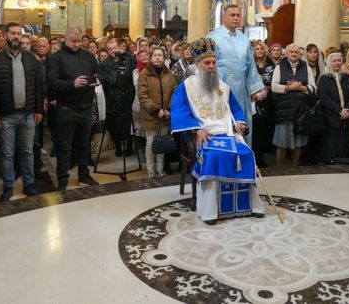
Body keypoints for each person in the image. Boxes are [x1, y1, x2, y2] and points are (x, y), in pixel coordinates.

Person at [170, 38, 264, 224]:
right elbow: (179, 111)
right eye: (207, 63)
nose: (212, 66)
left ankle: (250, 204)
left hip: (227, 133)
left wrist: (238, 123)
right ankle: (210, 210)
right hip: (203, 135)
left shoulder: (223, 87)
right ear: (198, 64)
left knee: (246, 154)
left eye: (214, 62)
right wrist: (196, 129)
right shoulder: (186, 87)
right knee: (213, 156)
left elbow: (235, 109)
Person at [0, 22, 44, 201]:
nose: (16, 36)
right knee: (7, 154)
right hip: (6, 116)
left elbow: (39, 86)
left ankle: (28, 185)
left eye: (19, 33)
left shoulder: (31, 59)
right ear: (5, 36)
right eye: (13, 33)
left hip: (28, 114)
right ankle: (8, 187)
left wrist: (39, 109)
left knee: (28, 152)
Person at [47, 27, 102, 189]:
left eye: (79, 41)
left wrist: (98, 80)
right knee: (64, 147)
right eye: (73, 41)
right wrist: (73, 84)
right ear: (65, 39)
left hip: (86, 107)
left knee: (83, 145)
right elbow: (52, 82)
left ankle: (84, 176)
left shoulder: (88, 56)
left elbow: (100, 73)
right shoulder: (56, 58)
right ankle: (62, 179)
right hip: (66, 109)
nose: (77, 44)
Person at [207, 5, 266, 142]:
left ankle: (242, 151)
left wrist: (254, 89)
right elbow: (208, 64)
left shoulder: (244, 39)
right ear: (223, 17)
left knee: (241, 122)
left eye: (238, 15)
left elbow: (250, 65)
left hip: (241, 88)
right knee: (223, 122)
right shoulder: (212, 37)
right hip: (220, 85)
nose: (236, 18)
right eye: (232, 15)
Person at [271, 44, 316, 167]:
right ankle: (279, 169)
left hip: (301, 111)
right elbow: (274, 86)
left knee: (298, 143)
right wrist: (288, 87)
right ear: (286, 54)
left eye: (296, 52)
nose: (294, 54)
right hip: (285, 110)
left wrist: (302, 88)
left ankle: (295, 168)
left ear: (300, 54)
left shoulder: (306, 67)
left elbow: (313, 87)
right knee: (282, 143)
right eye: (291, 52)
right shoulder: (279, 67)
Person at [137, 47, 177, 178]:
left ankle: (160, 169)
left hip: (165, 115)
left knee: (162, 143)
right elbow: (143, 96)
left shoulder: (169, 74)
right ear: (151, 57)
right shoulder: (144, 73)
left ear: (164, 58)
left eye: (160, 55)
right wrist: (156, 110)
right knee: (150, 142)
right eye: (155, 55)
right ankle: (150, 170)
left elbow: (174, 93)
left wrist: (168, 110)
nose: (158, 57)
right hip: (150, 114)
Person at [318, 52, 349, 164]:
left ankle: (344, 163)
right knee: (331, 144)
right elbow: (324, 98)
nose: (337, 63)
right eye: (334, 61)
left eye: (339, 60)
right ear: (329, 63)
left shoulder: (347, 77)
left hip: (347, 116)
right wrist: (339, 110)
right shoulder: (324, 78)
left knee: (345, 145)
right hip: (331, 117)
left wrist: (348, 109)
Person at [100, 40, 135, 157]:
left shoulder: (127, 59)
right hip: (113, 95)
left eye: (114, 48)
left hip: (127, 93)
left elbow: (130, 76)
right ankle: (118, 146)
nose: (113, 51)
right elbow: (111, 80)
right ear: (107, 51)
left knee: (129, 120)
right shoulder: (105, 64)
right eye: (110, 49)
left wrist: (126, 57)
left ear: (118, 48)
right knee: (115, 122)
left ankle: (129, 146)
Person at [251, 41, 275, 166]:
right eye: (257, 48)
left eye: (261, 48)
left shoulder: (270, 63)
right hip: (252, 99)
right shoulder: (250, 64)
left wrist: (266, 88)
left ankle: (261, 156)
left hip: (267, 101)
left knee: (263, 130)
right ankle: (253, 156)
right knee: (254, 129)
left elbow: (272, 82)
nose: (259, 51)